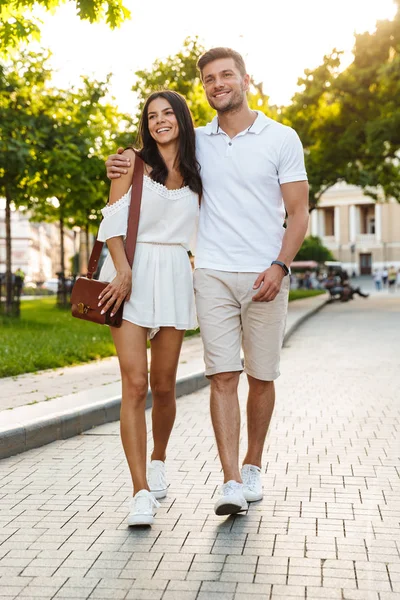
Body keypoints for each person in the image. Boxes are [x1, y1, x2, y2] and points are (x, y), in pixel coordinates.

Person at [106, 47, 309, 517]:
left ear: (244, 78)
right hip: (204, 274)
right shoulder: (195, 142)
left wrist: (280, 265)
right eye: (210, 79)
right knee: (213, 377)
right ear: (203, 88)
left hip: (251, 274)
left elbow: (298, 212)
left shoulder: (275, 138)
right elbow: (133, 182)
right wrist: (120, 165)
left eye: (226, 75)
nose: (219, 84)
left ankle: (249, 464)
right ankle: (224, 482)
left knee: (255, 377)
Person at [98, 90, 201, 526]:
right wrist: (122, 271)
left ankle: (159, 459)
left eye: (168, 113)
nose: (160, 121)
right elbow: (111, 222)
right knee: (135, 384)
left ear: (181, 118)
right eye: (152, 115)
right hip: (130, 273)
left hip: (175, 273)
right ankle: (140, 491)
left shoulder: (200, 172)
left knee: (163, 386)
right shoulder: (131, 162)